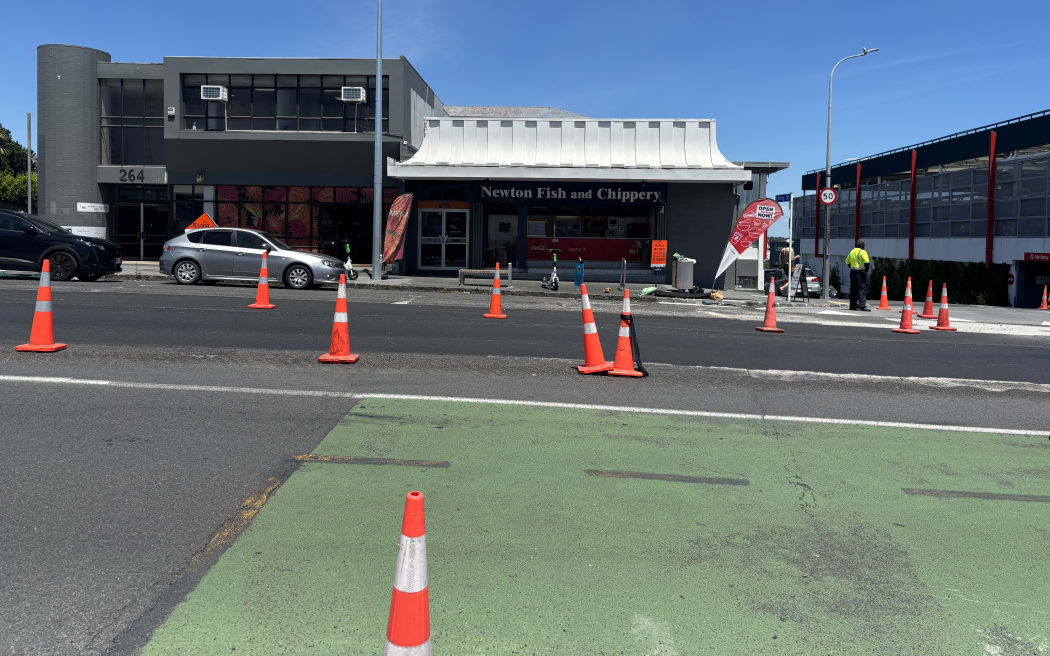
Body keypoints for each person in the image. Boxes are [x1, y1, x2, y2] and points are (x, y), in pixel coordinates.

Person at [846, 240, 871, 311]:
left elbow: (847, 262)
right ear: (862, 246)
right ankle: (861, 306)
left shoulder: (852, 251)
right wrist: (866, 270)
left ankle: (853, 305)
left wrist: (852, 267)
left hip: (853, 272)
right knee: (861, 288)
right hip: (860, 273)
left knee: (853, 289)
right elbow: (867, 262)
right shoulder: (862, 252)